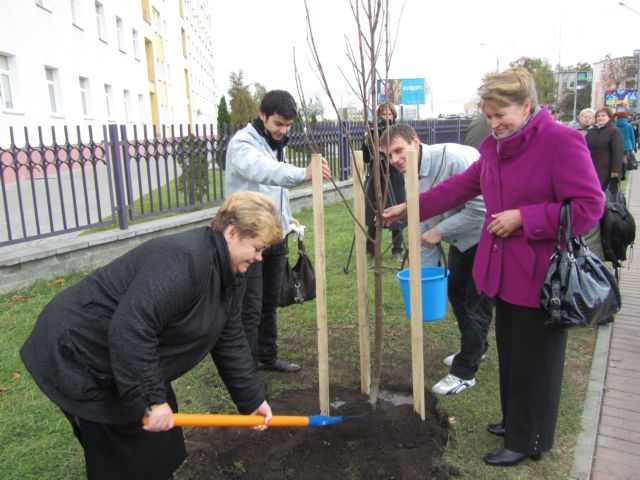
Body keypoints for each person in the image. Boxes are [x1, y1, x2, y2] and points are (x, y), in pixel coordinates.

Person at [383, 68, 603, 467]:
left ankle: (529, 438)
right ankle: (514, 420)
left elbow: (589, 208)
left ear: (527, 107)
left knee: (537, 361)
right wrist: (409, 207)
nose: (495, 123)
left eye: (501, 114)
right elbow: (462, 187)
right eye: (489, 115)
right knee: (512, 354)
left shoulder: (561, 142)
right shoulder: (494, 146)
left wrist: (525, 217)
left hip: (542, 276)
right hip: (504, 273)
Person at [20, 191, 282, 479]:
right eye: (256, 248)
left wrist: (252, 400)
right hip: (80, 352)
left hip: (126, 356)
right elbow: (132, 327)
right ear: (232, 232)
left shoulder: (230, 275)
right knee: (125, 453)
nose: (259, 258)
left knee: (159, 445)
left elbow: (229, 339)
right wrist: (152, 401)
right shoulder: (185, 260)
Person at [379, 124, 493, 396]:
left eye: (397, 151)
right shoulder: (411, 174)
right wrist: (422, 277)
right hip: (461, 240)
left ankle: (465, 372)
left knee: (477, 304)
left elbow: (481, 210)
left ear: (415, 142)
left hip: (488, 236)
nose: (394, 160)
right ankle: (475, 347)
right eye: (388, 156)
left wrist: (439, 231)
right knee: (457, 295)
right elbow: (422, 221)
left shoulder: (454, 159)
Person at [225, 90, 331, 373]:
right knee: (251, 306)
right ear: (263, 116)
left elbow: (272, 191)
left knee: (269, 301)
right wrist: (302, 174)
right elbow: (265, 172)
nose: (283, 131)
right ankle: (246, 370)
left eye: (288, 125)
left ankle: (267, 355)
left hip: (275, 235)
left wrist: (286, 219)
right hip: (248, 238)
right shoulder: (243, 144)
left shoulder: (274, 143)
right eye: (278, 124)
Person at [363, 101, 405, 262]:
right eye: (383, 114)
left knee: (397, 211)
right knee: (374, 210)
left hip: (394, 176)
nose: (386, 117)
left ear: (394, 116)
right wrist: (367, 143)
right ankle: (370, 249)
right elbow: (367, 159)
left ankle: (397, 250)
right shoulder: (373, 131)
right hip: (376, 177)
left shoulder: (399, 132)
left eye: (389, 114)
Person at [585, 107, 624, 192]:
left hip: (605, 169)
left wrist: (615, 170)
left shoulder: (614, 131)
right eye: (598, 116)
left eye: (603, 116)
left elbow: (617, 152)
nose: (600, 118)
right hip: (590, 166)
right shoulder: (591, 131)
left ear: (609, 117)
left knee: (600, 191)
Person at [614, 111, 636, 179]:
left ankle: (618, 173)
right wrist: (633, 147)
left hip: (616, 145)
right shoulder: (629, 125)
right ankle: (623, 175)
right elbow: (632, 137)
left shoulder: (614, 125)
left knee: (617, 160)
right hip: (627, 145)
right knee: (624, 160)